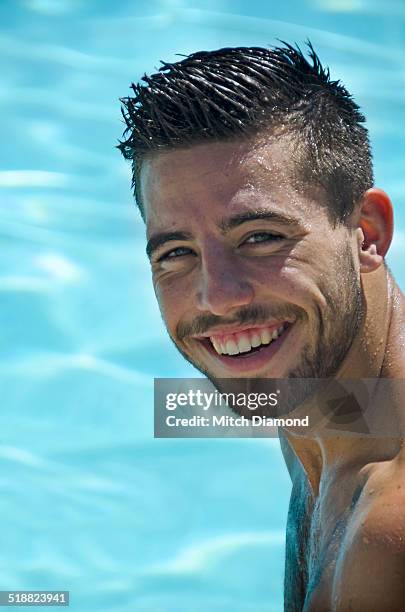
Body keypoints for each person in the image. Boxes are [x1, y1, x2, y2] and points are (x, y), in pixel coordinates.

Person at [117, 42, 405, 610]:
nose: (219, 298)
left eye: (261, 237)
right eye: (176, 252)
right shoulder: (316, 394)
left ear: (366, 231)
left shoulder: (390, 540)